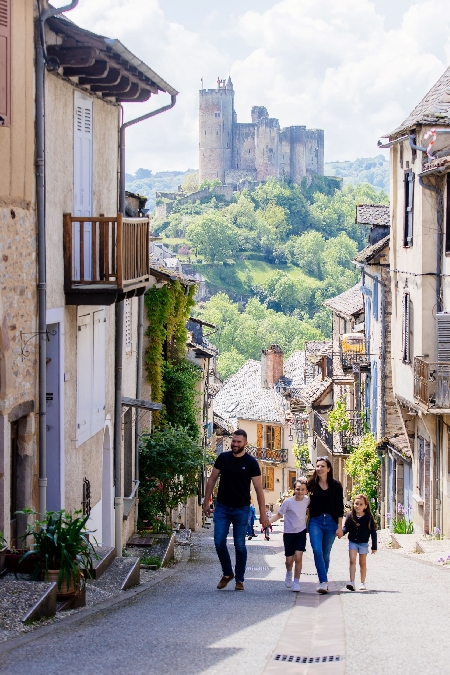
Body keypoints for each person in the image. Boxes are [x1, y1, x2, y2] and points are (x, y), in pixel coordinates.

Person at [203, 429, 269, 591]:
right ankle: (227, 573)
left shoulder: (252, 463)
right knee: (219, 542)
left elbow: (259, 489)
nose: (235, 444)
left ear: (245, 443)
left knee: (240, 544)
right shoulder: (223, 458)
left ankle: (239, 579)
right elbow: (211, 480)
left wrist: (263, 514)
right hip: (222, 507)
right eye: (234, 441)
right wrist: (206, 501)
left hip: (242, 508)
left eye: (239, 442)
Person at [307, 456, 344, 594]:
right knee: (317, 551)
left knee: (326, 554)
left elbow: (340, 507)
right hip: (315, 521)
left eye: (323, 466)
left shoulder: (336, 485)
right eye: (318, 466)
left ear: (328, 469)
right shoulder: (311, 484)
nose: (320, 469)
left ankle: (322, 580)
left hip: (331, 522)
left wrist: (340, 527)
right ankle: (323, 581)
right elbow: (300, 497)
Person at [270, 478, 309, 592]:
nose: (300, 492)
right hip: (288, 533)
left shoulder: (307, 501)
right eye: (298, 489)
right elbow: (279, 514)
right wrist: (268, 522)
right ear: (293, 489)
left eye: (302, 490)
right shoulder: (288, 502)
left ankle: (296, 581)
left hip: (301, 532)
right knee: (289, 560)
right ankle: (288, 573)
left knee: (298, 557)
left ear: (306, 491)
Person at [343, 494, 377, 591]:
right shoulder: (350, 516)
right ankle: (352, 582)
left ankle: (362, 583)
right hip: (353, 542)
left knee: (362, 563)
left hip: (363, 543)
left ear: (365, 506)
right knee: (352, 561)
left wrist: (374, 546)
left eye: (361, 504)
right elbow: (347, 527)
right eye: (356, 504)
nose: (358, 506)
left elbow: (373, 532)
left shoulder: (368, 517)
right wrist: (341, 532)